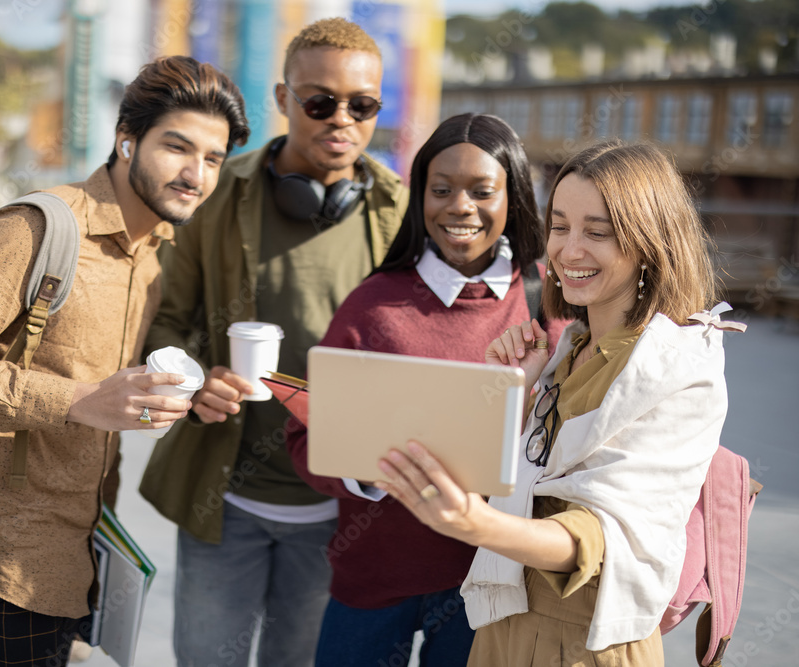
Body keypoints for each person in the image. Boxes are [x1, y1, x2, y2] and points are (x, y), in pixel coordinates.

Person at [0, 55, 249, 667]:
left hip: (71, 551)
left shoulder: (152, 252)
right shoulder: (37, 228)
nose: (196, 174)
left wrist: (192, 393)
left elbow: (104, 384)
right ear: (126, 141)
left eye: (214, 159)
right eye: (177, 147)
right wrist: (78, 400)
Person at [377, 140, 740, 666]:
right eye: (560, 226)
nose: (569, 251)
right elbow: (520, 478)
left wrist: (471, 523)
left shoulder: (680, 369)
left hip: (589, 643)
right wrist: (517, 393)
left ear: (650, 242)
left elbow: (599, 536)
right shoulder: (565, 348)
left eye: (598, 232)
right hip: (503, 626)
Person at [139, 17, 408, 667]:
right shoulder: (217, 193)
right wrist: (194, 379)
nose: (341, 118)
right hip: (222, 498)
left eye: (362, 105)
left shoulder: (401, 212)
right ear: (285, 100)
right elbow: (166, 323)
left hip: (340, 511)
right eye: (319, 101)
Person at [285, 113, 568, 666]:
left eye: (482, 191)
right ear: (420, 200)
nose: (459, 207)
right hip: (372, 581)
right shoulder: (373, 304)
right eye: (441, 190)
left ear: (513, 198)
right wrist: (365, 471)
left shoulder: (547, 305)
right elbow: (303, 438)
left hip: (487, 586)